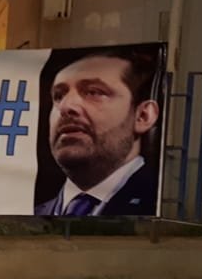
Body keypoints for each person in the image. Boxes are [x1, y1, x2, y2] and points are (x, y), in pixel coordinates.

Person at [34, 48, 161, 218]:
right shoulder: (29, 214)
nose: (66, 106)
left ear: (143, 116)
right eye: (58, 96)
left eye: (94, 92)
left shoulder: (163, 206)